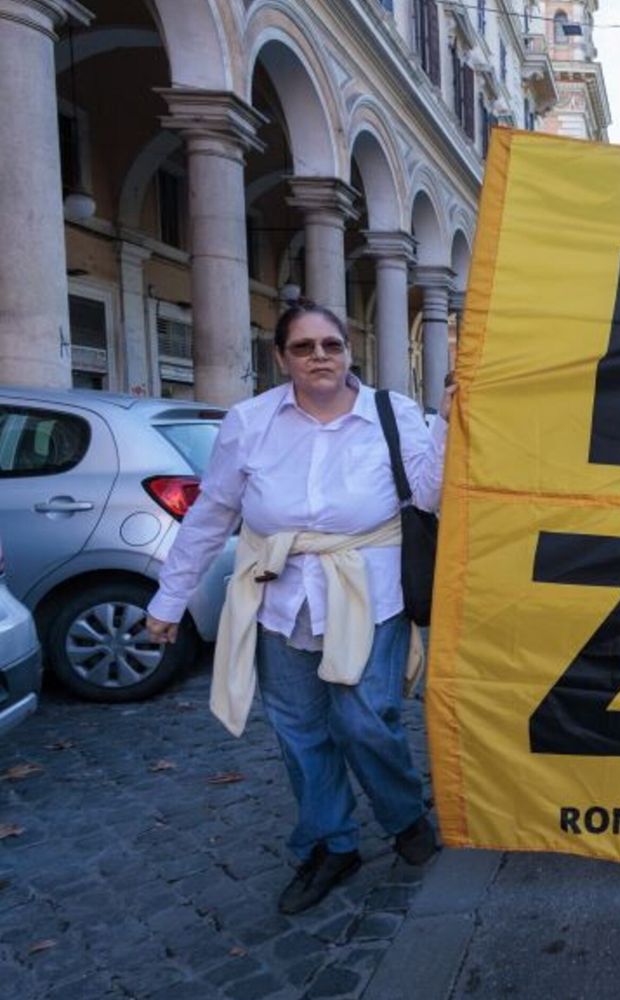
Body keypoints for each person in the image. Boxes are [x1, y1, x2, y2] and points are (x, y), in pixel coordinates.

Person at [144, 299, 454, 915]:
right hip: (279, 598)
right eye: (305, 346)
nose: (320, 356)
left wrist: (447, 421)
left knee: (366, 720)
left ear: (347, 352)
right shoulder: (249, 422)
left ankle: (404, 817)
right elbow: (211, 515)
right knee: (301, 732)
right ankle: (331, 844)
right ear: (282, 356)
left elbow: (428, 494)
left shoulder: (390, 414)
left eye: (331, 345)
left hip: (372, 594)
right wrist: (170, 598)